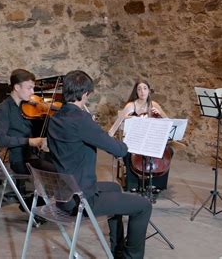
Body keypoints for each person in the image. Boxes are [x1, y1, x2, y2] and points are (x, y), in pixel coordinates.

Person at [47, 70, 152, 259]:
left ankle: (117, 249)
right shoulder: (81, 120)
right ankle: (131, 257)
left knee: (114, 187)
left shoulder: (55, 118)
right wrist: (125, 143)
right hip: (81, 199)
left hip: (64, 193)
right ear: (85, 94)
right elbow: (118, 150)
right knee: (143, 205)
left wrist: (93, 130)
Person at [0, 69, 56, 196]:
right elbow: (0, 139)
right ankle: (39, 205)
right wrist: (29, 141)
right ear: (17, 87)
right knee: (57, 171)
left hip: (37, 154)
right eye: (29, 88)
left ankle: (49, 202)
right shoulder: (4, 109)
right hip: (20, 159)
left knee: (66, 163)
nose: (33, 92)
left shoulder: (29, 106)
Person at [121, 80, 172, 193]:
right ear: (136, 91)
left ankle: (156, 184)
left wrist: (160, 114)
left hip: (151, 140)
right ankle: (133, 183)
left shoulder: (154, 105)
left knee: (169, 151)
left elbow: (168, 122)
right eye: (139, 89)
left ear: (149, 91)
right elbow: (118, 123)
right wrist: (127, 119)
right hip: (136, 140)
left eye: (145, 88)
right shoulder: (130, 105)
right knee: (127, 153)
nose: (142, 91)